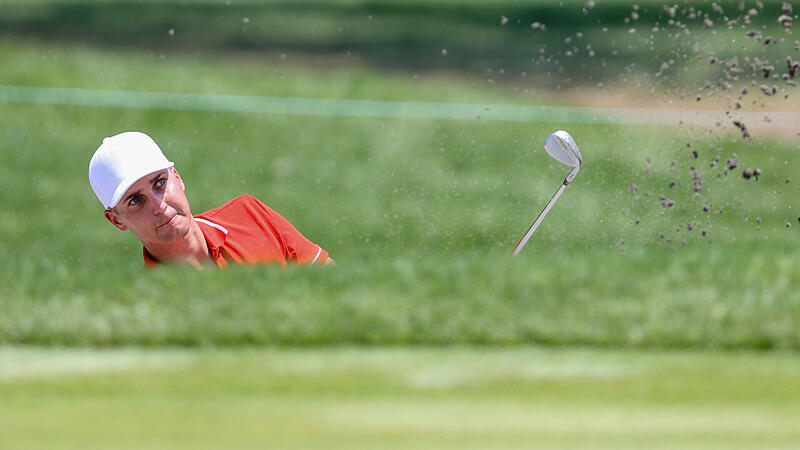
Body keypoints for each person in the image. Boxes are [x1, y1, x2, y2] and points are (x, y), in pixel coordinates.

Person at [88, 131, 332, 269]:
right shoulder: (149, 306)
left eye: (160, 183)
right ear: (116, 221)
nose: (158, 205)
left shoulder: (250, 214)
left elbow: (330, 283)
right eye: (135, 200)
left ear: (178, 177)